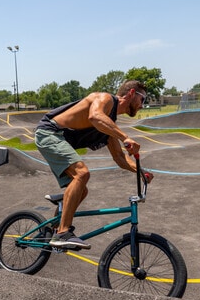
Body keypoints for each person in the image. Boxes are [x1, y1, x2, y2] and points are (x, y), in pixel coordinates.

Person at [34, 80, 153, 249]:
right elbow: (95, 116)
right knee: (82, 173)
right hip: (50, 133)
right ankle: (62, 233)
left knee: (82, 191)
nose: (143, 105)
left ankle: (53, 230)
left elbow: (119, 157)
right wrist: (125, 137)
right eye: (143, 100)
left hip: (59, 140)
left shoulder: (109, 125)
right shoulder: (105, 99)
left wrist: (140, 171)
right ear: (132, 93)